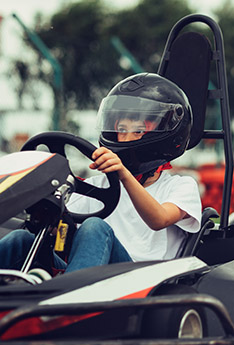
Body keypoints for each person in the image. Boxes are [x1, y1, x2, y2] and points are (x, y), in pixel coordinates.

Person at [0, 73, 202, 274]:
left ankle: (72, 303)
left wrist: (122, 174)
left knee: (95, 227)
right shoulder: (98, 186)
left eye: (138, 130)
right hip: (94, 277)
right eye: (122, 129)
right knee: (22, 240)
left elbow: (159, 219)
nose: (125, 139)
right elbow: (62, 224)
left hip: (145, 285)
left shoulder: (181, 186)